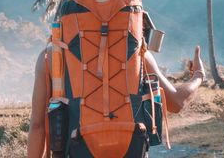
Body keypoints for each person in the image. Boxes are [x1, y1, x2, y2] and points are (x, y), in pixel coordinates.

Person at [27, 45, 206, 157]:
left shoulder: (51, 56)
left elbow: (37, 125)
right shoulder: (139, 54)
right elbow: (176, 102)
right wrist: (199, 75)